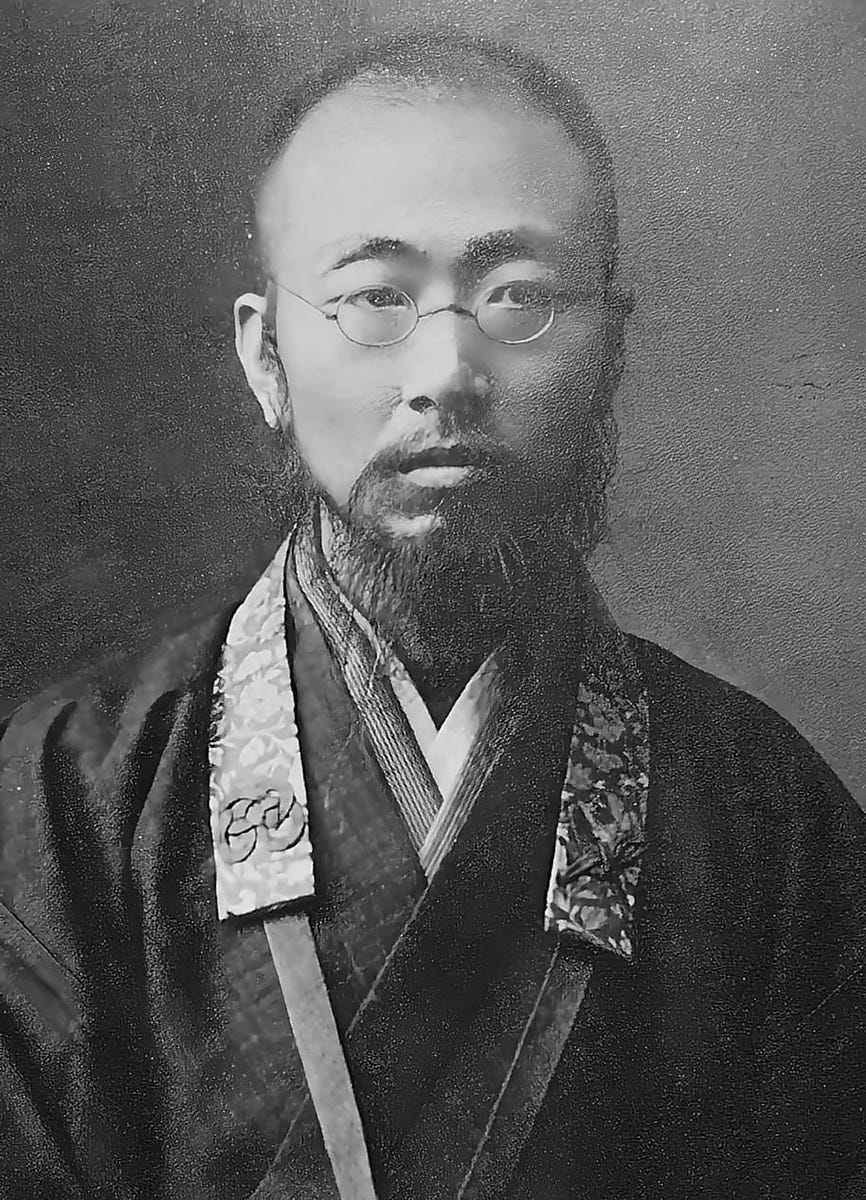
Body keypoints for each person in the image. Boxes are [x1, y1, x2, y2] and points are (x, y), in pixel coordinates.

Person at [1, 30, 863, 1200]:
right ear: (265, 355)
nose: (446, 368)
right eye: (372, 298)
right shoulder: (73, 793)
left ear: (610, 348)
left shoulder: (763, 810)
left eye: (516, 296)